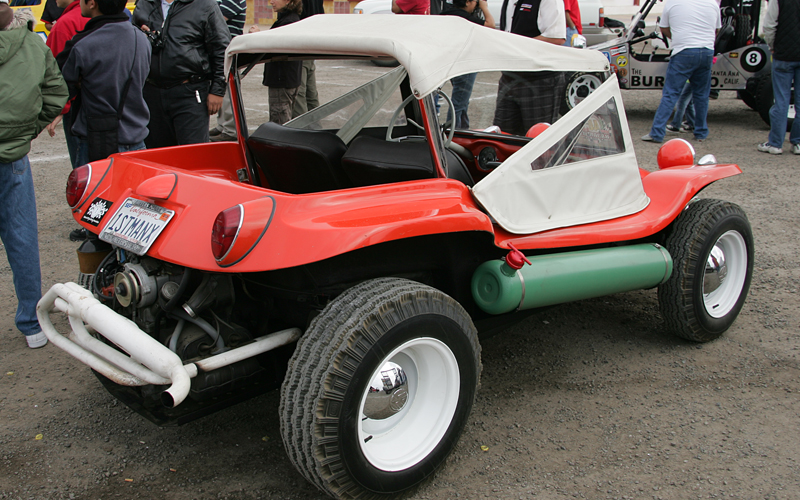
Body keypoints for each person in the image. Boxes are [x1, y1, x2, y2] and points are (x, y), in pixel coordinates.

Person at [0, 2, 69, 348]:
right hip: (12, 156)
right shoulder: (32, 45)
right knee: (21, 239)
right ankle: (31, 324)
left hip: (13, 152)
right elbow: (57, 95)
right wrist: (28, 130)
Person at [57, 0, 151, 167]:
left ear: (92, 3)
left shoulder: (83, 44)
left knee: (95, 192)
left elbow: (62, 85)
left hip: (95, 139)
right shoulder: (141, 38)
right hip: (136, 136)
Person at [133, 0, 230, 148]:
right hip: (151, 92)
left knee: (193, 154)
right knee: (157, 156)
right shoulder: (145, 4)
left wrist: (218, 90)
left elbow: (222, 49)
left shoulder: (205, 5)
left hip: (190, 92)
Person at [641, 0, 720, 143]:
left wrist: (678, 38)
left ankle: (657, 133)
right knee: (701, 95)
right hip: (707, 51)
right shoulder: (712, 3)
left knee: (671, 94)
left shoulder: (673, 2)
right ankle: (701, 132)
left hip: (683, 51)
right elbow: (716, 29)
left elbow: (664, 28)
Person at [494, 0, 566, 135]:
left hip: (539, 80)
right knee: (502, 137)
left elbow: (556, 37)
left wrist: (518, 47)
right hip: (509, 77)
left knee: (537, 140)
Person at [44, 0, 88, 171]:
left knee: (84, 171)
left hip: (77, 106)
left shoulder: (65, 24)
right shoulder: (111, 19)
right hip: (115, 103)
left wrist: (59, 107)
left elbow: (55, 73)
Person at [441, 0, 495, 129]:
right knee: (459, 103)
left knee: (461, 102)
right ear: (467, 2)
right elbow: (490, 24)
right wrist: (484, 7)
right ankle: (453, 133)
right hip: (465, 63)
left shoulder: (447, 13)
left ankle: (463, 129)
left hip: (452, 61)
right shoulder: (464, 18)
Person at [757, 0, 800, 155]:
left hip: (783, 55)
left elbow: (769, 26)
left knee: (781, 101)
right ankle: (798, 143)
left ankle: (775, 143)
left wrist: (772, 46)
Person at [251, 0, 303, 125]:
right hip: (287, 79)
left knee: (280, 123)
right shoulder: (289, 19)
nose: (271, 2)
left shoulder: (288, 22)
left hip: (282, 80)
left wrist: (258, 36)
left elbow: (275, 47)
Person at [208, 0, 247, 142]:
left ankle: (231, 129)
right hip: (221, 50)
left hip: (229, 49)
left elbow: (214, 19)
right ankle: (222, 125)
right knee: (222, 90)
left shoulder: (234, 0)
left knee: (228, 89)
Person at [291, 0, 323, 119]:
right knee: (311, 94)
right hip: (311, 42)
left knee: (299, 93)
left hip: (300, 45)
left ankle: (303, 130)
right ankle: (317, 128)